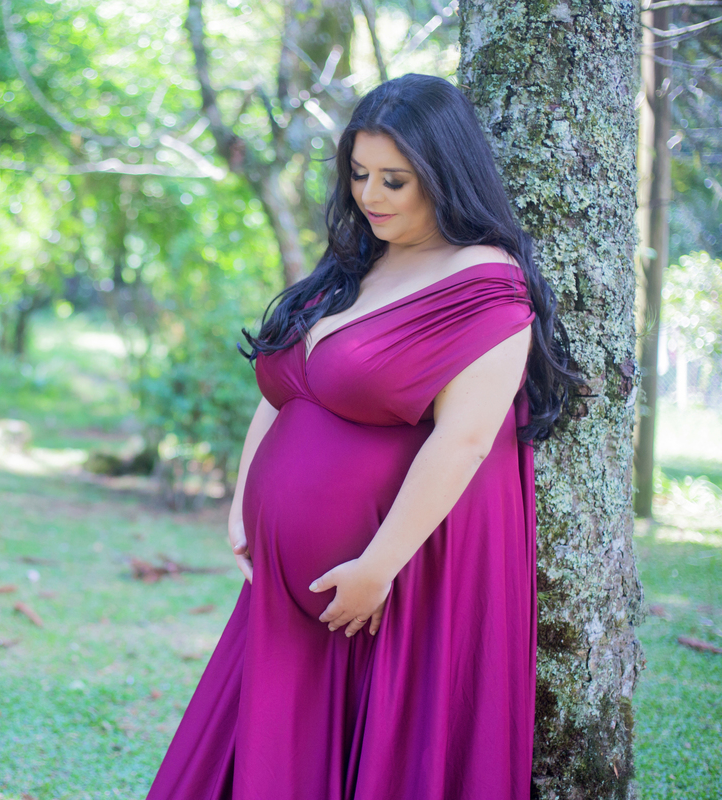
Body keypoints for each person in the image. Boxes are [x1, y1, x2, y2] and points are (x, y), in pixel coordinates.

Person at [144, 74, 581, 800]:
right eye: (358, 175)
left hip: (388, 590)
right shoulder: (356, 265)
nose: (370, 195)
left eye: (393, 180)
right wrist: (242, 504)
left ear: (443, 176)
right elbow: (285, 390)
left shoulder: (484, 282)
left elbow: (467, 441)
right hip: (287, 598)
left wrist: (378, 565)